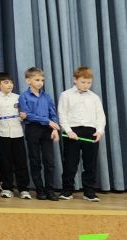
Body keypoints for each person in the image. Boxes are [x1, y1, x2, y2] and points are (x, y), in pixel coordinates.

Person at [58, 66, 105, 202]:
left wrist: (99, 131)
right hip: (72, 132)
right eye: (83, 82)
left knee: (90, 164)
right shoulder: (66, 95)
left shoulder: (94, 97)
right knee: (70, 163)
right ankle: (67, 190)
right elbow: (62, 114)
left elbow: (100, 116)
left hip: (90, 132)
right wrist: (68, 131)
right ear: (75, 80)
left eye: (89, 82)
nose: (86, 85)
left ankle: (89, 191)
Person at [18, 67, 60, 200]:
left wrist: (55, 128)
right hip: (33, 130)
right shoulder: (24, 96)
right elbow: (27, 115)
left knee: (49, 161)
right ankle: (39, 189)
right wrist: (47, 121)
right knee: (35, 160)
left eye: (42, 80)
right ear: (28, 81)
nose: (40, 82)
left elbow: (53, 114)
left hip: (47, 130)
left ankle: (50, 190)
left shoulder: (47, 96)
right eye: (37, 80)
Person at [0, 73, 31, 199]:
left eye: (11, 82)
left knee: (21, 161)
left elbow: (25, 113)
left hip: (17, 132)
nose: (10, 85)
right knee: (5, 161)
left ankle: (23, 188)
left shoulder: (18, 97)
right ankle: (7, 187)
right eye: (6, 82)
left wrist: (24, 116)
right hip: (2, 133)